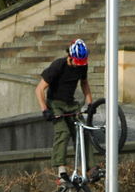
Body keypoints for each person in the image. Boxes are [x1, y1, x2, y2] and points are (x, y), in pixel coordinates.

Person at [35, 38, 100, 184]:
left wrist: (90, 103)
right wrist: (45, 110)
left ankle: (91, 168)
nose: (79, 65)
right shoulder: (58, 66)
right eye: (77, 61)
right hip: (55, 103)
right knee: (63, 132)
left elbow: (84, 83)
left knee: (83, 132)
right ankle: (61, 171)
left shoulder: (83, 65)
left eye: (81, 62)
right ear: (70, 56)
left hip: (71, 104)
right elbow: (39, 89)